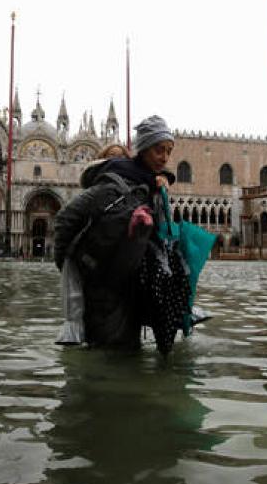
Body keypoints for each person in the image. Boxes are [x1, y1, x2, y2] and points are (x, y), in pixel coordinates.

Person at [54, 115, 176, 348]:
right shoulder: (109, 187)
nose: (165, 157)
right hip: (101, 290)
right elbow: (64, 220)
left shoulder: (150, 187)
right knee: (108, 356)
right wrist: (70, 267)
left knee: (128, 356)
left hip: (131, 288)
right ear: (144, 148)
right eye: (159, 150)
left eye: (169, 151)